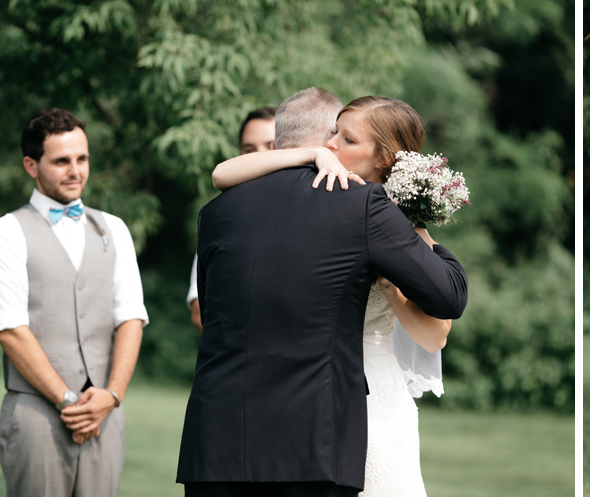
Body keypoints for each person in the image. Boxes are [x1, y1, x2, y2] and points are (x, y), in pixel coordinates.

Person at [176, 88, 467, 497]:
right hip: (319, 433)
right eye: (335, 136)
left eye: (347, 139)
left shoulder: (217, 211)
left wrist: (415, 227)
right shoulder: (363, 206)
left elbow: (210, 312)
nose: (333, 145)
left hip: (218, 441)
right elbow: (449, 293)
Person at [0, 108, 148, 497]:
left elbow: (131, 319)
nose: (75, 170)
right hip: (36, 415)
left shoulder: (114, 229)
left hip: (106, 414)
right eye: (61, 161)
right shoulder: (6, 232)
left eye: (82, 159)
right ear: (31, 166)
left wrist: (111, 396)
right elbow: (10, 330)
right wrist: (70, 402)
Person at [187, 106, 278, 332]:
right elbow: (199, 310)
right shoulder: (221, 216)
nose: (260, 156)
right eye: (249, 149)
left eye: (272, 146)